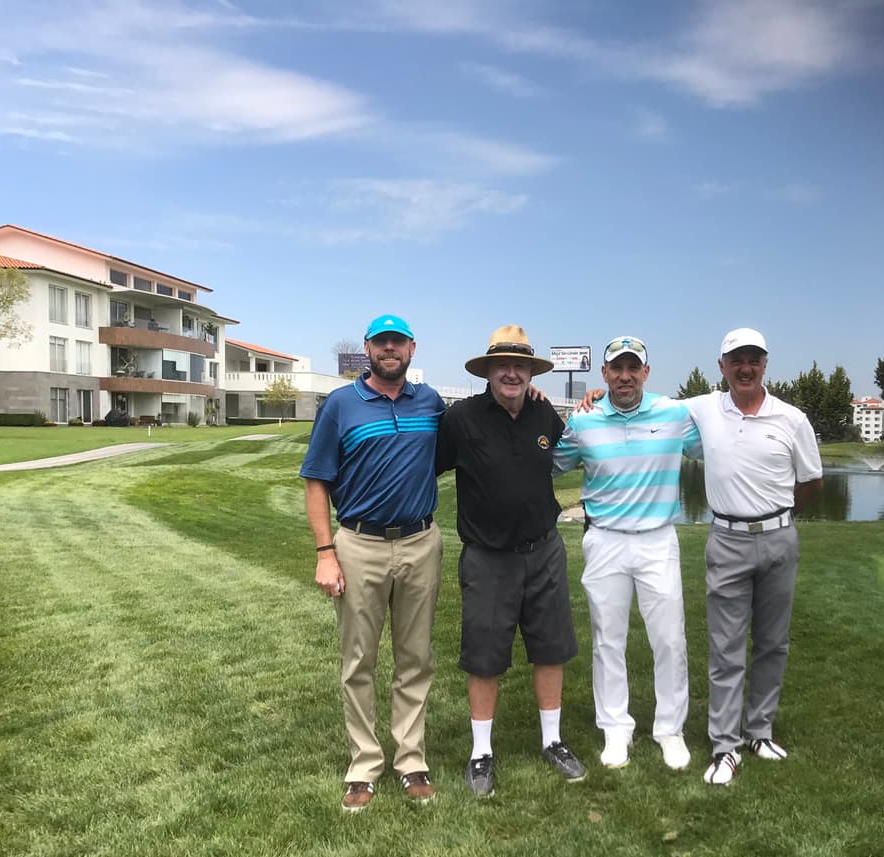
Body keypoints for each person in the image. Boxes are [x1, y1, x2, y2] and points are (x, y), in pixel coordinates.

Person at [300, 314, 445, 812]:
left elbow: (472, 435)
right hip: (358, 544)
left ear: (412, 348)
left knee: (416, 656)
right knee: (359, 659)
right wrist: (325, 554)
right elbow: (317, 481)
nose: (390, 350)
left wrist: (534, 396)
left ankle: (411, 760)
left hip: (421, 541)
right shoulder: (341, 405)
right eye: (381, 343)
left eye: (397, 343)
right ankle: (364, 764)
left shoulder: (430, 403)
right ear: (367, 348)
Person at [435, 325, 587, 798]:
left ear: (529, 372)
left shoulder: (543, 411)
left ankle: (553, 741)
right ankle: (481, 751)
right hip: (487, 556)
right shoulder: (461, 419)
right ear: (488, 371)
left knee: (551, 646)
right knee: (484, 655)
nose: (512, 372)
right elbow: (428, 465)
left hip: (543, 549)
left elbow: (571, 452)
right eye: (503, 364)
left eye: (520, 365)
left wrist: (590, 404)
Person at [553, 335, 702, 771]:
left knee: (670, 638)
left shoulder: (674, 415)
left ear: (646, 373)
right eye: (616, 368)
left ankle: (669, 730)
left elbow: (713, 444)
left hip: (658, 539)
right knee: (607, 639)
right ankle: (616, 728)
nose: (624, 376)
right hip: (605, 540)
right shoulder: (584, 422)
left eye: (632, 367)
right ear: (604, 374)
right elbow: (548, 461)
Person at [684, 327, 823, 786]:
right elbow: (642, 408)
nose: (745, 368)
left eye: (754, 359)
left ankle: (759, 730)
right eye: (736, 360)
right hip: (726, 540)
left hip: (779, 539)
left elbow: (811, 483)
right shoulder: (703, 408)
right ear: (721, 366)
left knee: (773, 642)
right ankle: (726, 746)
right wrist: (593, 399)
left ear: (765, 365)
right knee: (726, 648)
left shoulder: (792, 418)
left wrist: (777, 520)